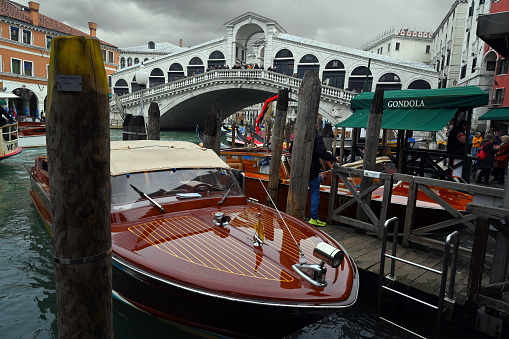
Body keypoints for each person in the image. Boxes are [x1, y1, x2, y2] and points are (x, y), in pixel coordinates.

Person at [308, 129, 340, 227]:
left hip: (299, 170)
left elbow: (292, 150)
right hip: (312, 171)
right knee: (314, 193)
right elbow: (322, 153)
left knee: (323, 177)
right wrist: (334, 158)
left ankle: (295, 215)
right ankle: (314, 218)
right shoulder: (317, 137)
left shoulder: (299, 134)